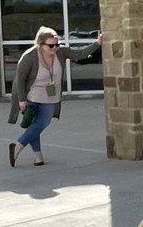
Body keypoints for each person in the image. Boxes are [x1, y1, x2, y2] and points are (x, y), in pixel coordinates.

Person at [7, 26, 103, 167]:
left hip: (50, 97)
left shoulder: (61, 52)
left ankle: (29, 152)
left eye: (57, 44)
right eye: (51, 45)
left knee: (37, 124)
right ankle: (25, 150)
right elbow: (20, 79)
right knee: (40, 123)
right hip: (32, 95)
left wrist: (97, 43)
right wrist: (21, 100)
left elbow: (80, 53)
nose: (55, 48)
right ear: (41, 44)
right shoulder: (29, 57)